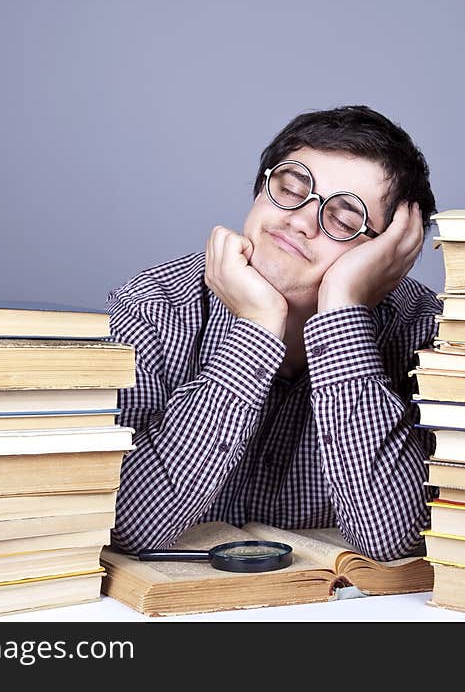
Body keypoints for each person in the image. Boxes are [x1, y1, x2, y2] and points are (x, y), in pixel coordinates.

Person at [105, 104, 441, 561]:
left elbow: (393, 540)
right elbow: (125, 523)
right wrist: (256, 328)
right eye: (289, 189)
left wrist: (344, 308)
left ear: (391, 253)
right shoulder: (152, 307)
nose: (300, 220)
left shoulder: (423, 331)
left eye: (343, 220)